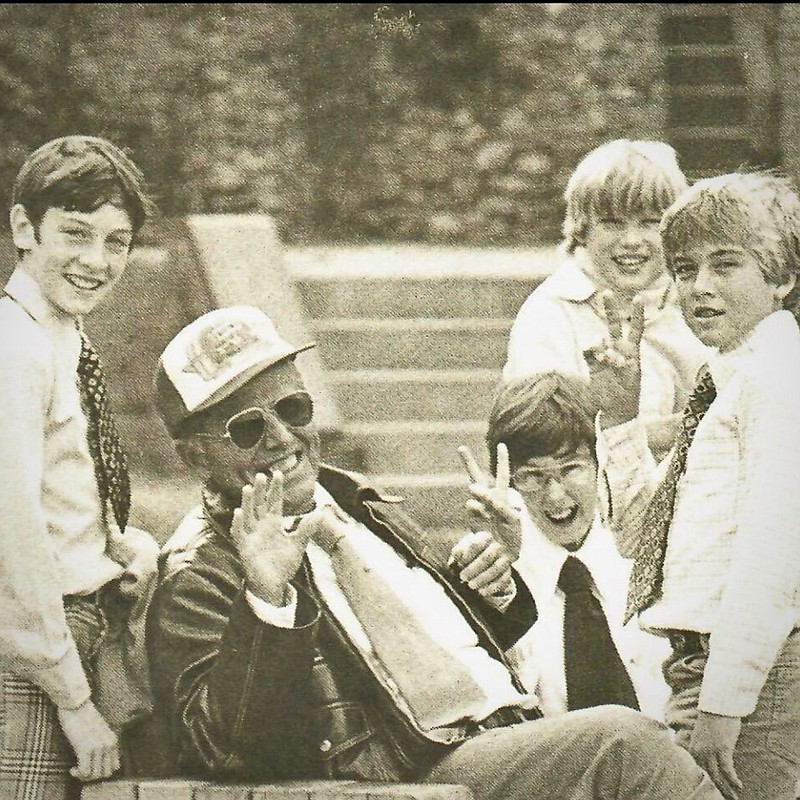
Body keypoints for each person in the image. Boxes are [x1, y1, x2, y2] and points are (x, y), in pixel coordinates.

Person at [147, 305, 725, 800]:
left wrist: (494, 590)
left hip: (503, 733)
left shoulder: (357, 503)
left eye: (293, 409)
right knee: (624, 745)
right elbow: (218, 754)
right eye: (247, 428)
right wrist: (269, 604)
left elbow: (453, 650)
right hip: (411, 775)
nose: (282, 438)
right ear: (195, 457)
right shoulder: (200, 572)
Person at [598, 173, 800, 800]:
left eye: (726, 264)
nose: (700, 286)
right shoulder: (727, 380)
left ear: (782, 278)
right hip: (702, 668)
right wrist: (621, 411)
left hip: (753, 675)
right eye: (685, 269)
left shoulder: (774, 379)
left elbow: (774, 554)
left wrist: (726, 701)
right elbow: (637, 534)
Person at [0, 136, 158, 800]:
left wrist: (119, 544)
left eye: (116, 242)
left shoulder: (61, 334)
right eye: (76, 234)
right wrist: (69, 695)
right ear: (24, 228)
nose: (97, 261)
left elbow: (65, 488)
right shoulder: (15, 349)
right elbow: (13, 536)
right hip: (31, 653)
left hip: (76, 627)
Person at [449, 372, 670, 720]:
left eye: (570, 470)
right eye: (532, 477)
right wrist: (480, 593)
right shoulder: (499, 580)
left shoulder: (649, 561)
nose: (554, 495)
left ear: (600, 466)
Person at [504, 139, 708, 458]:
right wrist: (656, 434)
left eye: (650, 223)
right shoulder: (551, 313)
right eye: (612, 223)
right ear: (582, 230)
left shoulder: (696, 304)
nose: (631, 241)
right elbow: (543, 437)